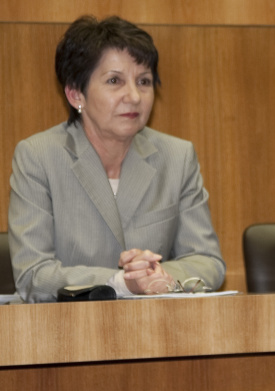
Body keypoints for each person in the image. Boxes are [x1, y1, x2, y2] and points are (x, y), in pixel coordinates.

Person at [8, 15, 225, 302]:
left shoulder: (177, 157)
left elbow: (207, 261)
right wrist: (119, 283)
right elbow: (33, 275)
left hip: (158, 335)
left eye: (144, 81)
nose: (134, 96)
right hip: (65, 335)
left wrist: (162, 276)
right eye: (114, 81)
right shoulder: (38, 157)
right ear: (76, 94)